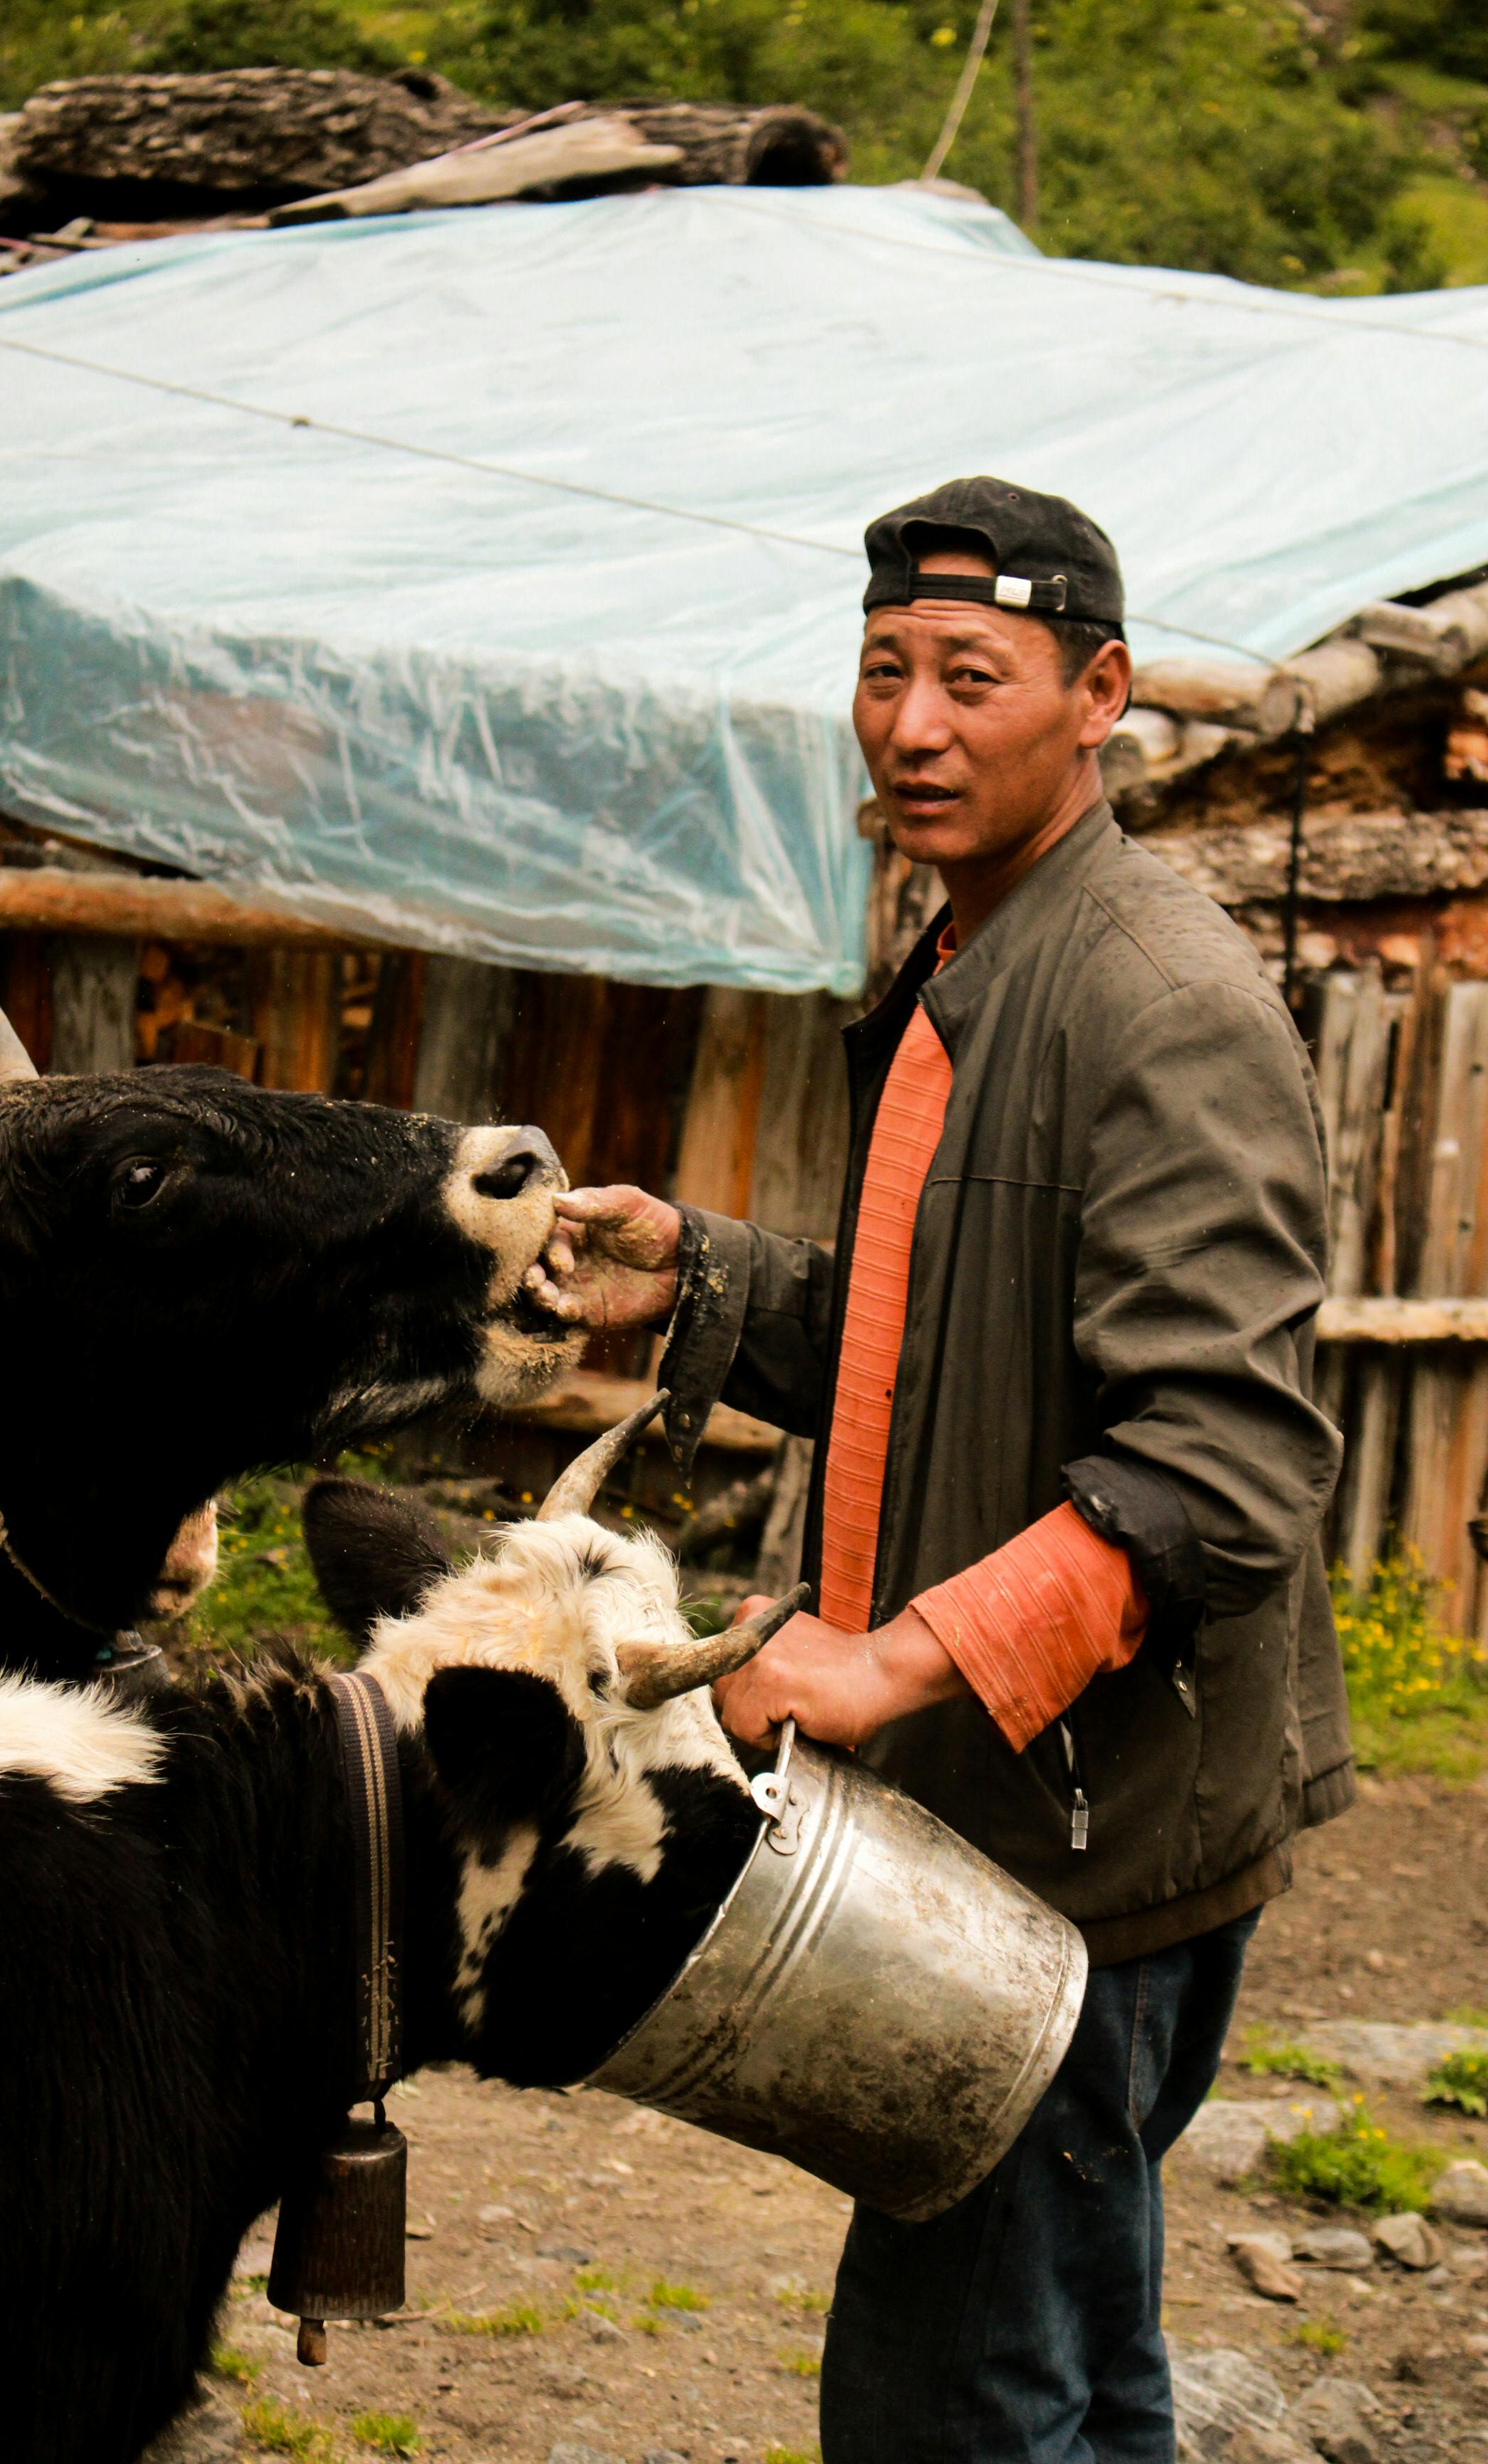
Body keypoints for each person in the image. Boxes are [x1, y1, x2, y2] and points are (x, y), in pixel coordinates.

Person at [528, 474, 1351, 2464]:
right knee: (1061, 2361)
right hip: (1025, 1797)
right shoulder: (984, 961)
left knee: (968, 2400)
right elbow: (953, 1331)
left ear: (1103, 694)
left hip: (1086, 1830)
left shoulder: (1154, 1001)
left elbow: (1224, 1465)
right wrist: (705, 1281)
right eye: (884, 670)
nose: (912, 725)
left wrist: (887, 1665)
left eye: (972, 676)